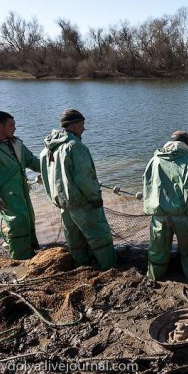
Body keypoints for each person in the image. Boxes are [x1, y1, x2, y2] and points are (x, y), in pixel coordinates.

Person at [39, 109, 116, 269]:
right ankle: (109, 267)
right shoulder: (74, 146)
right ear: (73, 125)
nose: (84, 128)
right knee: (99, 235)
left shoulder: (47, 149)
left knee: (74, 237)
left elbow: (46, 177)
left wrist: (55, 198)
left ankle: (81, 265)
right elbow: (85, 178)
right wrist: (95, 198)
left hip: (62, 202)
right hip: (81, 202)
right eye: (82, 124)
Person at [142, 130, 188, 280]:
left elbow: (146, 185)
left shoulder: (154, 160)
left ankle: (154, 278)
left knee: (157, 250)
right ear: (186, 145)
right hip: (182, 216)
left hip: (159, 216)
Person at [0, 111, 41, 260]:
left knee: (28, 217)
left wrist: (51, 165)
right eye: (11, 125)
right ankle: (19, 257)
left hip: (21, 189)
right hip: (5, 194)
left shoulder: (15, 142)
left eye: (14, 124)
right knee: (16, 222)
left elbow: (32, 161)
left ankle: (30, 250)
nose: (15, 128)